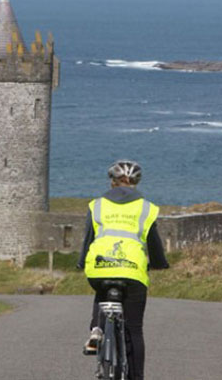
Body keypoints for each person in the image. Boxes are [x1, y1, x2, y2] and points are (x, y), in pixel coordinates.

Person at [78, 160, 169, 380]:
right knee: (134, 330)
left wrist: (82, 263)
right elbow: (155, 246)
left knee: (101, 288)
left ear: (112, 182)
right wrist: (159, 264)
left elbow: (88, 240)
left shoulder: (97, 205)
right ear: (136, 183)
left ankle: (97, 330)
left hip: (100, 267)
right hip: (132, 270)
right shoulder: (146, 208)